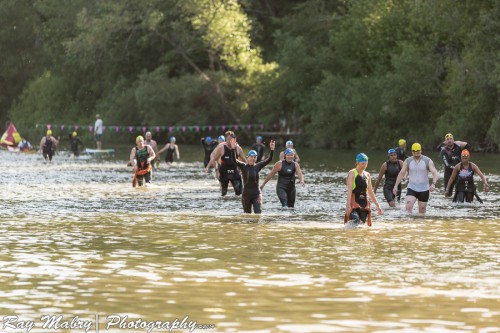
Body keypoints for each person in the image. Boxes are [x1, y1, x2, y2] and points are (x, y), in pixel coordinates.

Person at [229, 136, 275, 213]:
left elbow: (269, 159)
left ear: (256, 159)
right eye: (251, 157)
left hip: (257, 194)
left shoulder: (258, 166)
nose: (253, 159)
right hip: (246, 195)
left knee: (258, 213)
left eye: (254, 157)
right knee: (247, 216)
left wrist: (272, 149)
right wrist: (233, 149)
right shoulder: (243, 166)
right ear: (247, 158)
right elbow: (234, 160)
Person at [393, 143, 440, 214]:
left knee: (422, 211)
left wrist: (433, 184)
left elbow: (435, 173)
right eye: (414, 153)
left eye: (418, 152)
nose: (416, 155)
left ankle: (420, 224)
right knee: (408, 206)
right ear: (412, 152)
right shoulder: (408, 161)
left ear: (421, 151)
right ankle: (409, 223)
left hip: (424, 189)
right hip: (412, 187)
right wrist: (396, 185)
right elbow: (402, 173)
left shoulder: (427, 160)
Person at [344, 153, 382, 226]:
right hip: (353, 202)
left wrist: (377, 205)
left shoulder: (367, 175)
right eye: (362, 164)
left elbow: (370, 192)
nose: (364, 166)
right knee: (355, 221)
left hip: (364, 203)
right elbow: (349, 190)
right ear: (357, 163)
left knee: (361, 225)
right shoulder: (352, 173)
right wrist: (348, 205)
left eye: (365, 163)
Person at [205, 131, 245, 196]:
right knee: (223, 194)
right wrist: (216, 170)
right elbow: (213, 158)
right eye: (229, 139)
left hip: (234, 172)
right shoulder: (221, 147)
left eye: (232, 140)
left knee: (239, 194)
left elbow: (244, 160)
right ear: (226, 140)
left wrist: (241, 169)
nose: (230, 141)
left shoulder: (238, 148)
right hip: (224, 172)